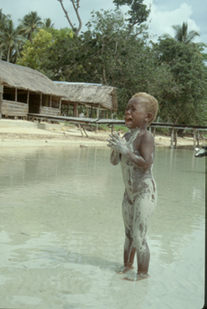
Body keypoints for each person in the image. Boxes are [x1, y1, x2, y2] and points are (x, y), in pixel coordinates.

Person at [107, 92, 158, 280]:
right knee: (128, 233)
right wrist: (116, 148)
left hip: (145, 192)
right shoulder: (127, 135)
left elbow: (146, 163)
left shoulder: (146, 137)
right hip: (128, 194)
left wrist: (124, 149)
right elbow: (114, 162)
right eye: (126, 108)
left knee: (139, 235)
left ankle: (143, 274)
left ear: (147, 117)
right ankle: (127, 265)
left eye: (133, 109)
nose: (127, 112)